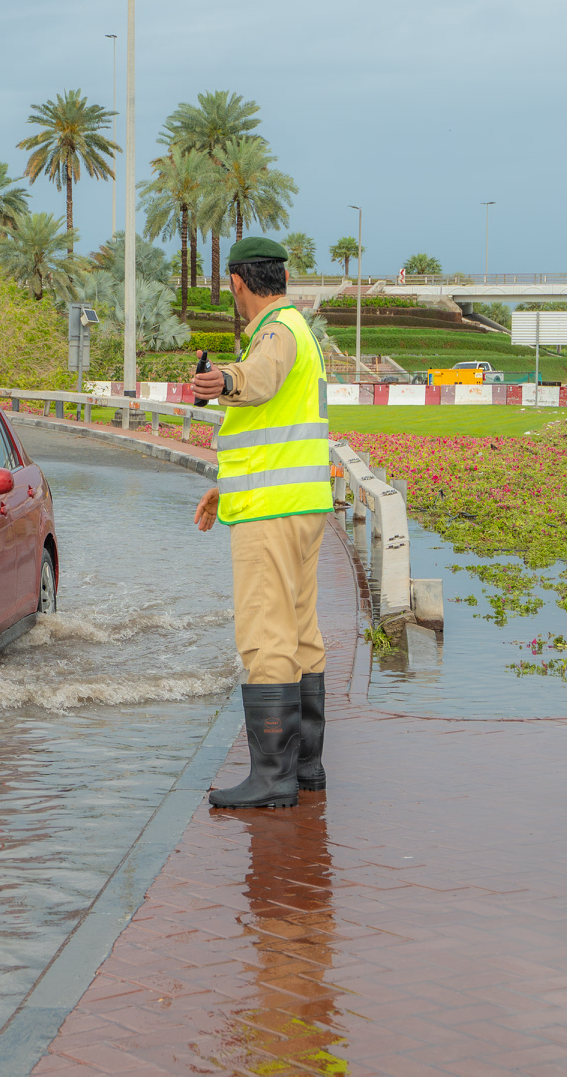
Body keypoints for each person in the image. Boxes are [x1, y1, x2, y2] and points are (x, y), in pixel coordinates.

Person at [190, 236, 333, 810]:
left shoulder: (274, 333)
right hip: (298, 505)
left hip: (270, 517)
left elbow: (261, 378)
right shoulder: (301, 332)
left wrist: (223, 380)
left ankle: (271, 777)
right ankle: (306, 768)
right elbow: (280, 432)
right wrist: (226, 487)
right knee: (300, 633)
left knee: (264, 635)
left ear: (237, 282)